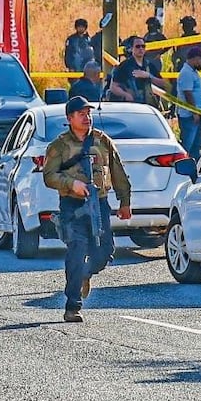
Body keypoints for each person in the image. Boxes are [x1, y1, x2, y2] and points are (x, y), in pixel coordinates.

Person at [42, 96, 132, 322]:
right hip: (72, 205)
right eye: (81, 114)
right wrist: (72, 184)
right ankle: (73, 306)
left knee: (104, 252)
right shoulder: (59, 146)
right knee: (77, 251)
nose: (86, 117)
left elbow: (118, 171)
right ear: (69, 118)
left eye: (88, 113)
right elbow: (49, 176)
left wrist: (125, 202)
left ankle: (84, 275)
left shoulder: (102, 141)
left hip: (99, 203)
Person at [109, 36, 164, 107]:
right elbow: (113, 87)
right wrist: (126, 94)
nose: (141, 49)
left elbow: (163, 83)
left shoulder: (149, 65)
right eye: (137, 46)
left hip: (147, 106)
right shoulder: (124, 66)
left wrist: (149, 76)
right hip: (130, 106)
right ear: (132, 49)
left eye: (143, 46)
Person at [176, 47, 201, 159]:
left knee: (197, 145)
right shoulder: (186, 73)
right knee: (187, 146)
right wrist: (194, 112)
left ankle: (195, 168)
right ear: (194, 59)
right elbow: (188, 94)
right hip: (190, 116)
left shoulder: (192, 72)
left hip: (197, 115)